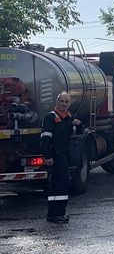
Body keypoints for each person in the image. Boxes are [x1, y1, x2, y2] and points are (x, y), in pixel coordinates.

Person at [40, 92, 81, 224]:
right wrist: (48, 156)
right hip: (56, 155)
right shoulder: (51, 117)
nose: (64, 104)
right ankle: (56, 214)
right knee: (61, 182)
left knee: (58, 183)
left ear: (69, 104)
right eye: (61, 101)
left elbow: (78, 132)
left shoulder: (68, 118)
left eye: (66, 102)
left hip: (64, 154)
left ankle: (55, 213)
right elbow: (45, 139)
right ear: (56, 102)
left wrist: (78, 124)